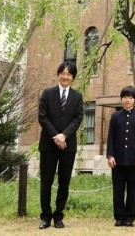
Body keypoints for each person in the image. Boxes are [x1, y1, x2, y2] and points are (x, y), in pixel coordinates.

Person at [38, 61, 84, 229]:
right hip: (48, 145)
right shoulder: (47, 93)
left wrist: (64, 135)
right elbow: (42, 117)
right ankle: (45, 217)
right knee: (46, 181)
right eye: (63, 73)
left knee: (64, 182)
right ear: (58, 74)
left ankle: (58, 216)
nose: (65, 76)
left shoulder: (77, 96)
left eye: (69, 74)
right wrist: (56, 136)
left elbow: (78, 118)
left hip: (68, 145)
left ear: (72, 77)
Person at [106, 86, 135, 227]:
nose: (127, 100)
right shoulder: (115, 116)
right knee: (118, 190)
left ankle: (130, 217)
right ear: (121, 99)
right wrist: (110, 155)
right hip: (117, 160)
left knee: (132, 190)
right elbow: (110, 137)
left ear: (134, 100)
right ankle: (119, 217)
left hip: (134, 160)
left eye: (130, 97)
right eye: (125, 97)